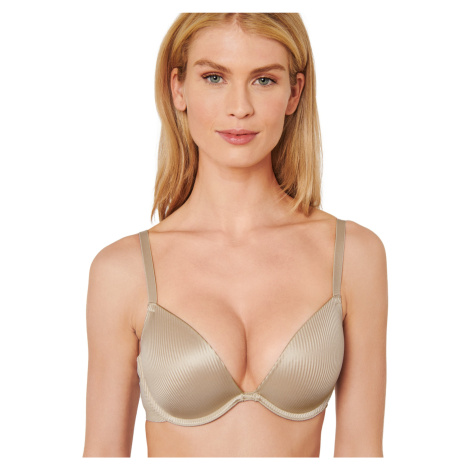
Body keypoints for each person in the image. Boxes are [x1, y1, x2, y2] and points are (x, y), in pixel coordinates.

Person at [82, 13, 388, 458]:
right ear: (178, 88)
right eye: (214, 78)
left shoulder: (354, 256)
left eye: (264, 80)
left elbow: (362, 453)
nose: (239, 107)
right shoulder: (122, 271)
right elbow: (101, 457)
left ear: (294, 93)